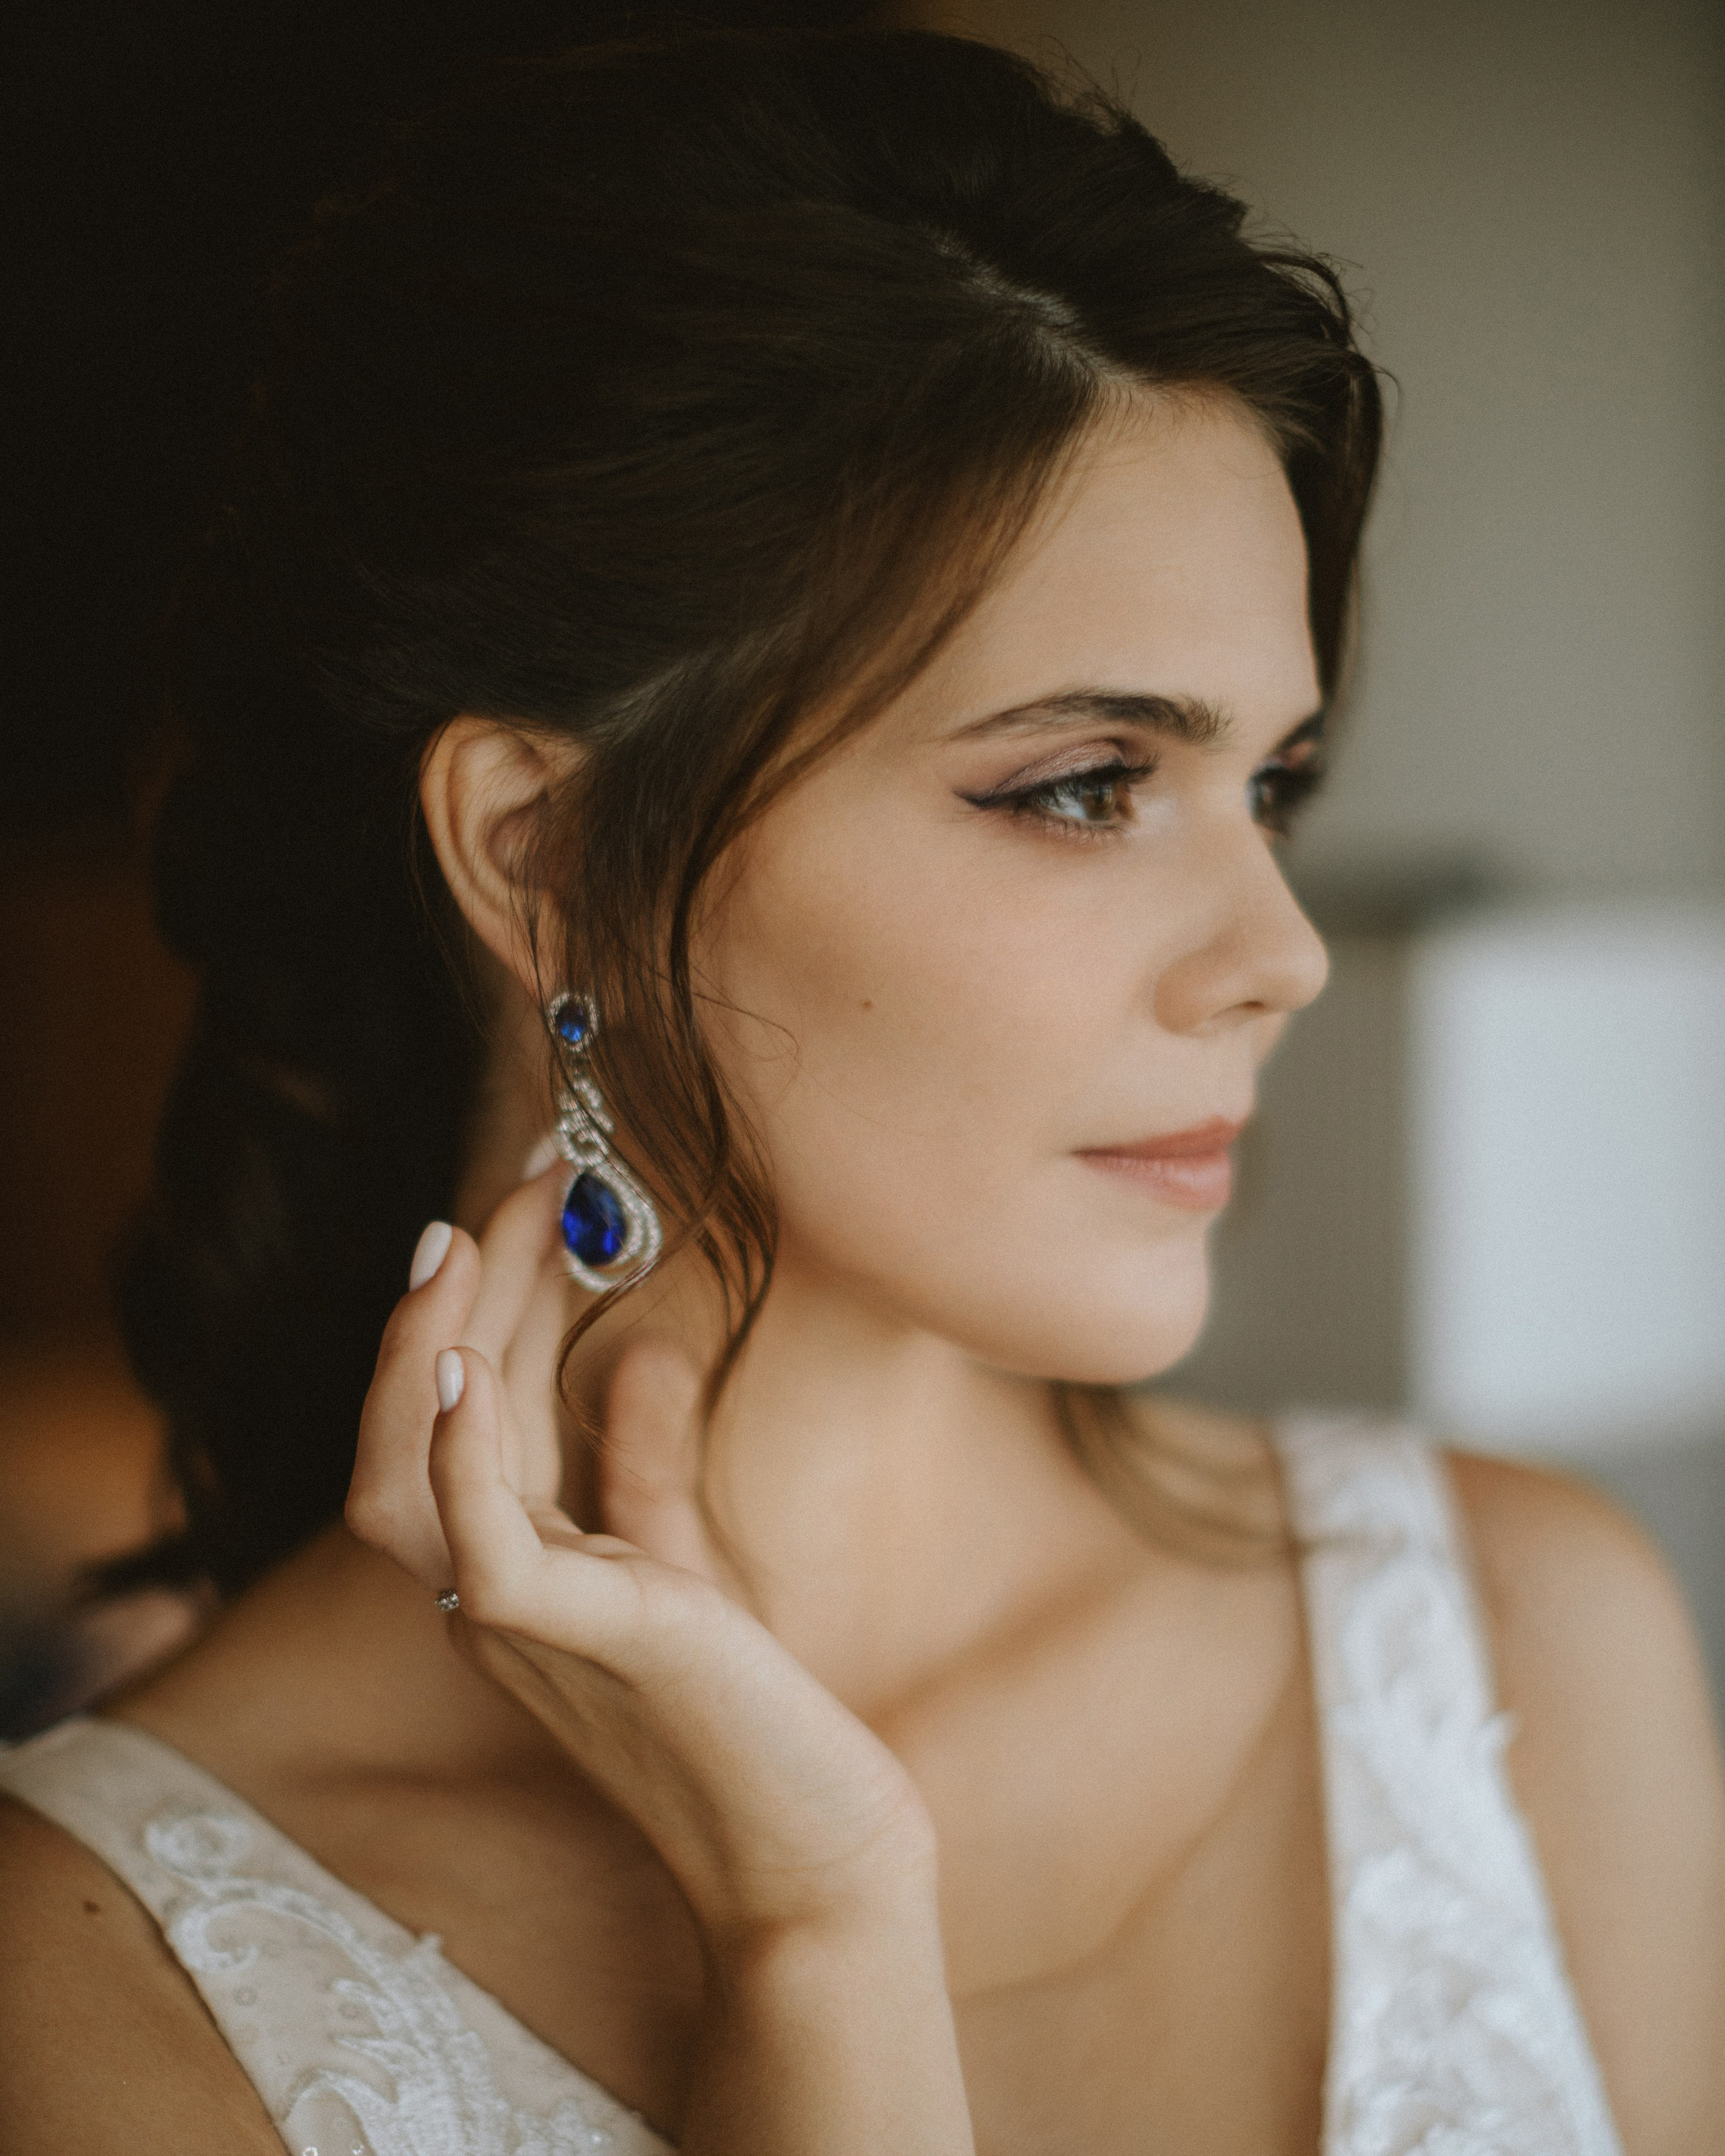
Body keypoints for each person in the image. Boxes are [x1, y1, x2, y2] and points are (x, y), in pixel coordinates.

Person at [1, 25, 1720, 2155]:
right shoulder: (85, 1978)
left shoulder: (1530, 1647)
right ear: (543, 855)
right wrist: (820, 1945)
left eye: (1268, 785)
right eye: (1089, 785)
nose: (1280, 956)